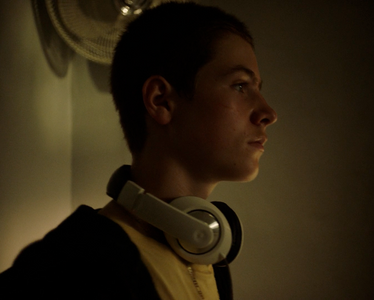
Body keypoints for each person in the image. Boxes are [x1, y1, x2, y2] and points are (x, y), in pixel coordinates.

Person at [0, 2, 277, 299]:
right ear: (161, 101)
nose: (268, 113)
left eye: (257, 88)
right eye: (240, 85)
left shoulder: (208, 256)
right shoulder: (70, 268)